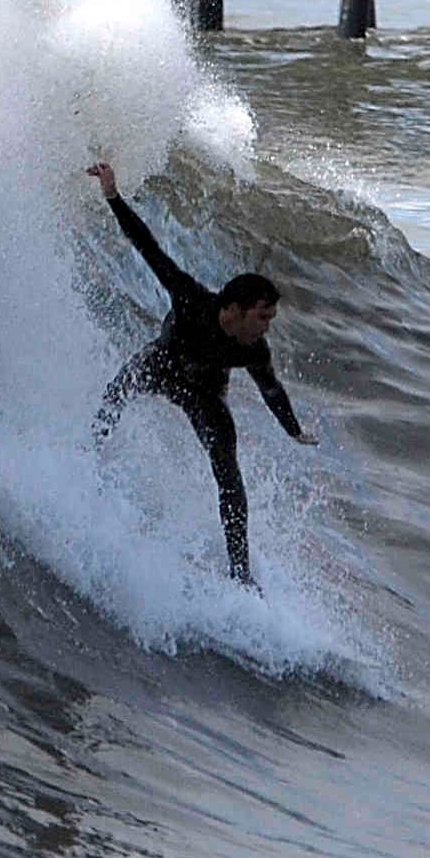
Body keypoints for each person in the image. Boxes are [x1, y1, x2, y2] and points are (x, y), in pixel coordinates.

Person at [86, 162, 314, 583]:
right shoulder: (192, 299)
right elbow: (148, 247)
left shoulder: (254, 350)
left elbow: (272, 390)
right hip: (163, 363)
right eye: (262, 317)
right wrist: (113, 196)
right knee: (116, 393)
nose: (267, 327)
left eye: (270, 318)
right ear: (234, 309)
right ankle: (83, 464)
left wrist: (293, 430)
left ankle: (240, 574)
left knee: (229, 472)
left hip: (205, 391)